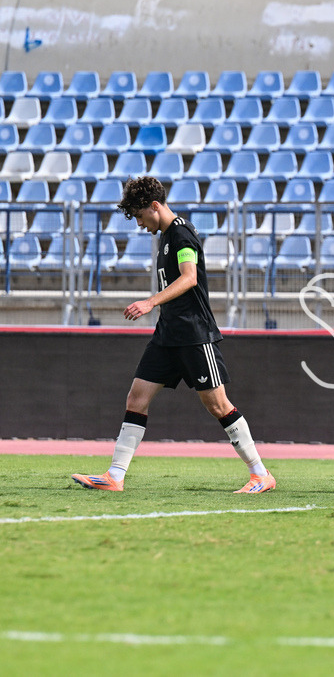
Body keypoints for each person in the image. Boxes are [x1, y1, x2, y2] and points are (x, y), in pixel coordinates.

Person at [71, 176, 275, 493]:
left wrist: (151, 301)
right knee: (136, 398)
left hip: (194, 333)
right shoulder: (165, 237)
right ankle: (115, 475)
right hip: (168, 334)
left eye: (140, 216)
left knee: (218, 405)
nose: (139, 224)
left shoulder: (181, 234)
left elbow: (189, 278)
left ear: (155, 206)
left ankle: (261, 474)